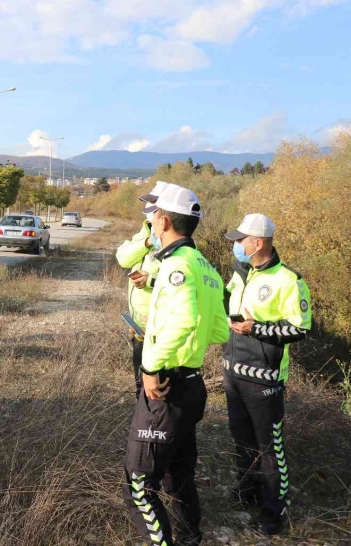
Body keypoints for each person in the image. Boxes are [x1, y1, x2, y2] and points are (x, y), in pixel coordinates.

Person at [122, 184, 229, 546]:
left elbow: (183, 321)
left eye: (153, 216)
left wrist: (152, 367)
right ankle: (189, 537)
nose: (150, 222)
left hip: (165, 386)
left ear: (164, 220)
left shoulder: (175, 267)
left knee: (139, 485)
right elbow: (217, 329)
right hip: (191, 384)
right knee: (180, 473)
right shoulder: (206, 267)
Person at [223, 214, 311, 536]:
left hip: (265, 381)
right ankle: (247, 493)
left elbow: (299, 328)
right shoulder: (241, 273)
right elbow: (225, 305)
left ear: (257, 243)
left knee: (270, 449)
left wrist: (255, 327)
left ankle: (275, 512)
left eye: (240, 240)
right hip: (233, 373)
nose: (236, 245)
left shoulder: (289, 280)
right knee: (241, 439)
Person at [115, 181, 169, 398]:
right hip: (140, 329)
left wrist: (151, 279)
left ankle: (155, 428)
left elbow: (181, 283)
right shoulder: (146, 231)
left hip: (160, 331)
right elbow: (123, 257)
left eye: (153, 204)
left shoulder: (173, 239)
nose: (148, 208)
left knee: (158, 392)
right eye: (147, 202)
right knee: (142, 388)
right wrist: (146, 242)